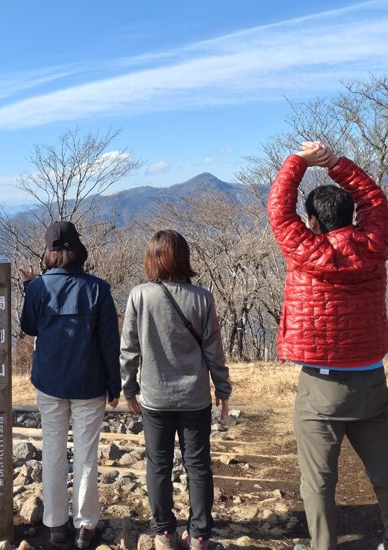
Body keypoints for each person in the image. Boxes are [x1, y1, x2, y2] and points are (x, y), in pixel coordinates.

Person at [267, 141, 388, 550]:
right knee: (384, 473)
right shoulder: (374, 246)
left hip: (321, 384)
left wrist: (297, 162)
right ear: (351, 216)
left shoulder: (306, 251)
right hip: (372, 380)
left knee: (318, 480)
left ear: (313, 221)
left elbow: (279, 210)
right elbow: (375, 200)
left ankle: (323, 547)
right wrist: (335, 163)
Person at [120, 230, 231, 550]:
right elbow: (213, 350)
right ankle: (199, 535)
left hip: (155, 398)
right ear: (184, 258)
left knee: (158, 465)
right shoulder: (203, 297)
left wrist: (129, 389)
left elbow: (129, 349)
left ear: (152, 259)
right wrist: (222, 389)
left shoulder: (139, 296)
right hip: (195, 397)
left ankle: (165, 534)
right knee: (198, 466)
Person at [19, 221, 121, 549]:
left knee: (53, 449)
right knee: (86, 453)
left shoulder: (38, 288)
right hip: (89, 383)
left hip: (49, 382)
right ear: (78, 248)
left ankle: (55, 524)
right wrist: (114, 385)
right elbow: (109, 342)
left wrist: (30, 288)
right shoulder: (98, 288)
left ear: (48, 252)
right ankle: (85, 525)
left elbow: (29, 326)